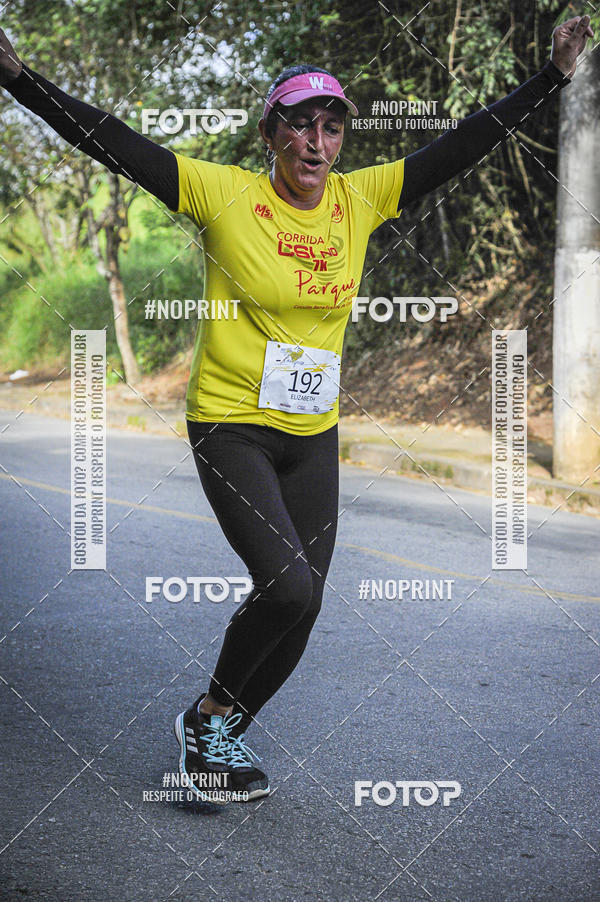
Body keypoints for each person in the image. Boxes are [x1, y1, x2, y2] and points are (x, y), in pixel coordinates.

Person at [0, 15, 592, 804]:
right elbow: (112, 141)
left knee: (305, 603)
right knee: (288, 588)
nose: (318, 142)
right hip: (231, 424)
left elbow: (459, 146)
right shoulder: (223, 194)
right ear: (270, 133)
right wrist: (16, 78)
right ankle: (209, 717)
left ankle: (217, 729)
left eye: (333, 126)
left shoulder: (360, 199)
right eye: (302, 125)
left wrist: (550, 79)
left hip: (313, 433)